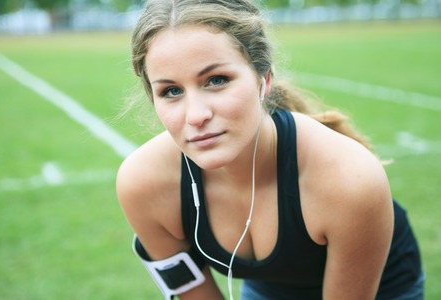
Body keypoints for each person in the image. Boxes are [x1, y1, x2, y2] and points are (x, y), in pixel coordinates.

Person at [116, 0, 424, 299]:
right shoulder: (143, 183)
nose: (196, 115)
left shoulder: (350, 180)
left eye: (217, 80)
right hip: (269, 289)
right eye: (171, 91)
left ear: (264, 80)